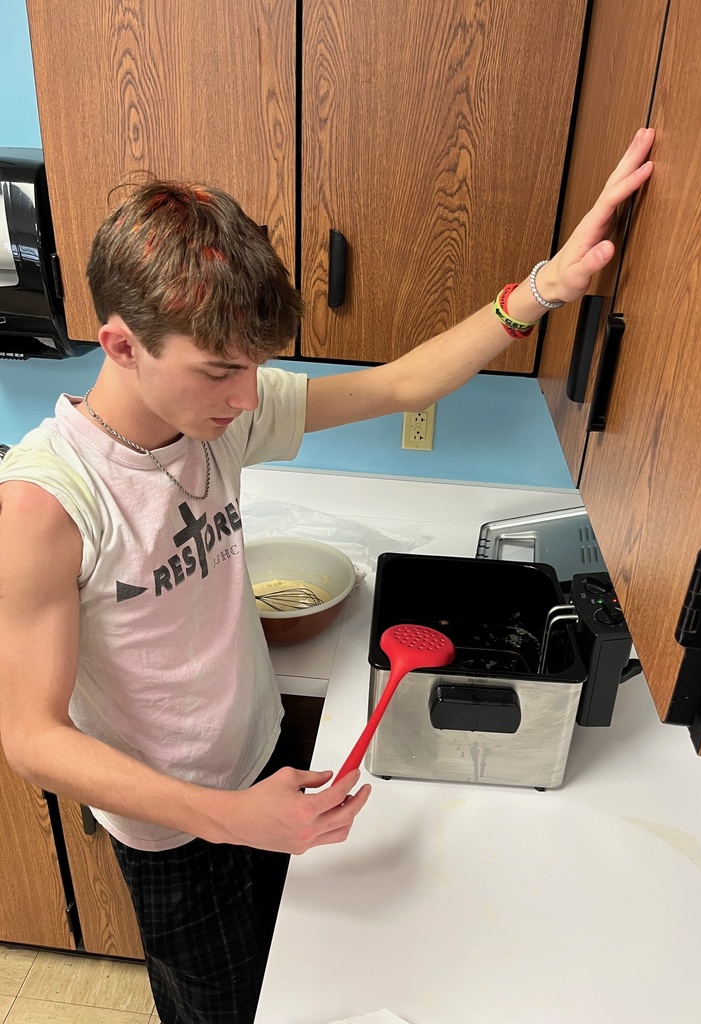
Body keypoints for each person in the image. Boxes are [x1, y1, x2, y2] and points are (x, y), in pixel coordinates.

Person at [0, 128, 653, 1023]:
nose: (244, 397)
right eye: (220, 371)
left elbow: (399, 387)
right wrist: (229, 818)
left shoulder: (222, 416)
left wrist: (545, 287)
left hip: (264, 764)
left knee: (290, 982)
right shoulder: (49, 503)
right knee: (216, 1008)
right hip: (175, 831)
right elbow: (31, 739)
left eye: (255, 369)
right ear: (119, 345)